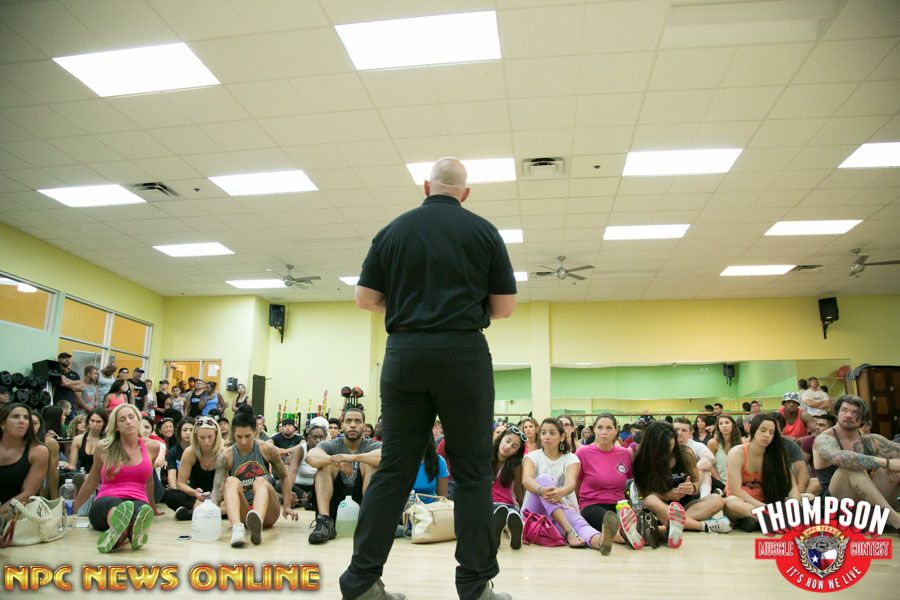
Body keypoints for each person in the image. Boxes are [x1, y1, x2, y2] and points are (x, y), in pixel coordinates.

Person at [342, 158, 517, 600]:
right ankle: (475, 587)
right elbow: (504, 308)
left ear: (425, 186)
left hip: (404, 352)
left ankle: (361, 581)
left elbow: (364, 298)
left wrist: (408, 310)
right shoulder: (484, 232)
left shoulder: (392, 231)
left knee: (393, 470)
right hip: (463, 355)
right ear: (466, 193)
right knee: (473, 472)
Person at [72, 404, 162, 553]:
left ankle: (124, 532)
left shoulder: (152, 446)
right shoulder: (103, 447)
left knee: (140, 509)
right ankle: (123, 529)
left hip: (137, 499)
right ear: (116, 426)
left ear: (138, 420)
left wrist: (153, 507)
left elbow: (149, 480)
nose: (128, 422)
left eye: (131, 417)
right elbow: (92, 480)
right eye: (122, 419)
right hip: (106, 501)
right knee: (114, 506)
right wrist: (74, 509)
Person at [522, 418, 616, 554]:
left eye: (552, 433)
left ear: (562, 437)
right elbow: (526, 480)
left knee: (579, 522)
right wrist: (542, 490)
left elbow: (571, 483)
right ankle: (569, 531)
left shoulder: (571, 458)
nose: (547, 436)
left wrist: (560, 494)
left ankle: (600, 541)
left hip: (562, 510)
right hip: (535, 514)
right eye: (543, 433)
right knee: (543, 479)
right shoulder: (532, 457)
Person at [632, 421, 729, 546]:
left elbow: (695, 480)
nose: (669, 450)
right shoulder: (642, 460)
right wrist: (665, 495)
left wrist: (692, 487)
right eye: (664, 447)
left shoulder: (686, 454)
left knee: (717, 500)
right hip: (661, 509)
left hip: (686, 505)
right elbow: (644, 495)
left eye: (671, 445)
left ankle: (668, 527)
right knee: (650, 500)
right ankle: (703, 526)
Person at [813, 395, 900, 530]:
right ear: (837, 413)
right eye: (844, 410)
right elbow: (840, 457)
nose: (849, 415)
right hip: (834, 507)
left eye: (855, 412)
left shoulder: (872, 440)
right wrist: (887, 463)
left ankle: (879, 518)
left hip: (865, 505)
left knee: (896, 469)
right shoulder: (824, 439)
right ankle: (896, 521)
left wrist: (895, 465)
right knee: (851, 468)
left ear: (863, 418)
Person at [306, 407, 382, 544]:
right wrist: (334, 460)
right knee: (325, 464)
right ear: (342, 425)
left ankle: (371, 522)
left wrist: (353, 457)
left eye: (357, 421)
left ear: (364, 426)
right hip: (335, 499)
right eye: (348, 421)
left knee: (370, 464)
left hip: (362, 500)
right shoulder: (330, 444)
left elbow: (386, 457)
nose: (352, 425)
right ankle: (325, 523)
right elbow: (311, 457)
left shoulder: (372, 445)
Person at [212, 411, 286, 547]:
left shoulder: (267, 449)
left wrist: (287, 506)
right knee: (230, 481)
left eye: (248, 436)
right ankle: (237, 528)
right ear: (233, 434)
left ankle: (257, 520)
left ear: (255, 432)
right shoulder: (226, 456)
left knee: (260, 481)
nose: (243, 441)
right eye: (239, 437)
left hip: (268, 512)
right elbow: (216, 489)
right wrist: (211, 517)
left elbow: (284, 475)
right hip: (244, 511)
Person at [576, 414, 644, 551]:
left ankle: (644, 533)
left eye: (609, 428)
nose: (604, 432)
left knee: (632, 522)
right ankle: (632, 537)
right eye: (600, 427)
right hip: (591, 504)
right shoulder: (583, 453)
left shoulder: (625, 454)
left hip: (619, 505)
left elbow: (630, 480)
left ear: (616, 430)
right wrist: (576, 508)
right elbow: (576, 483)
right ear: (594, 429)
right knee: (610, 521)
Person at [724, 413, 799, 532]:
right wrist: (766, 508)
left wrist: (795, 504)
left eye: (771, 432)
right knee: (731, 502)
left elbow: (792, 485)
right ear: (752, 430)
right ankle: (774, 520)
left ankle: (759, 521)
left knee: (808, 497)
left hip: (769, 502)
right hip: (744, 503)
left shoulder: (776, 454)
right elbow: (735, 490)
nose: (767, 435)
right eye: (763, 430)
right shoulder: (737, 452)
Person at [163, 415, 222, 521]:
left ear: (216, 435)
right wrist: (194, 492)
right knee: (169, 494)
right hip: (196, 497)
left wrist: (215, 497)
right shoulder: (189, 452)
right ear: (196, 436)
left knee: (232, 499)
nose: (206, 442)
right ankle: (213, 511)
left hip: (218, 495)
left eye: (210, 437)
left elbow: (224, 484)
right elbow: (180, 483)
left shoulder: (223, 453)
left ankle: (193, 513)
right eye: (202, 438)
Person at [0, 403, 50, 519]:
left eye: (26, 418)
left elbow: (28, 493)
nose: (22, 421)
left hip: (20, 513)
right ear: (2, 423)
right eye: (15, 417)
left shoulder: (38, 451)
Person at [490, 428, 525, 550]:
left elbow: (518, 491)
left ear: (516, 452)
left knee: (510, 513)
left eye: (514, 446)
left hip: (507, 504)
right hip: (487, 504)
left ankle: (514, 535)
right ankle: (498, 532)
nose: (508, 446)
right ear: (501, 439)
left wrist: (523, 510)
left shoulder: (517, 465)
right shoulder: (485, 456)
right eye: (508, 441)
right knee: (500, 513)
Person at [70, 408, 109, 515]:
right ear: (88, 421)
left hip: (101, 477)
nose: (94, 424)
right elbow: (72, 465)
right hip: (82, 476)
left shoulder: (108, 441)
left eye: (98, 422)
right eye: (92, 421)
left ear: (104, 423)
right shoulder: (78, 439)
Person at [283, 425, 327, 514]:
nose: (318, 440)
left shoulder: (328, 449)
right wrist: (289, 493)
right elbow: (292, 473)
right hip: (299, 487)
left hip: (318, 487)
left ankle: (304, 500)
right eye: (314, 437)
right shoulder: (300, 449)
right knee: (281, 485)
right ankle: (307, 498)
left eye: (321, 437)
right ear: (307, 438)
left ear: (325, 438)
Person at [30, 409, 60, 499]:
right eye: (29, 423)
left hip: (41, 489)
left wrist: (55, 500)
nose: (31, 427)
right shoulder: (16, 443)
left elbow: (53, 472)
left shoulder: (50, 443)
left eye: (35, 423)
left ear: (41, 425)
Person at [707, 414, 741, 484]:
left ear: (733, 425)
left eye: (727, 423)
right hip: (720, 483)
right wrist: (720, 483)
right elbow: (710, 466)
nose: (724, 426)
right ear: (718, 427)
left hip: (738, 483)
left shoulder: (741, 443)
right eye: (721, 424)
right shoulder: (713, 443)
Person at [165, 418, 195, 489]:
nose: (188, 433)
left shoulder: (199, 450)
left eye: (191, 430)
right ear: (179, 432)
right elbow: (171, 473)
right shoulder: (173, 452)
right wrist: (174, 488)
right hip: (179, 486)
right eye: (185, 430)